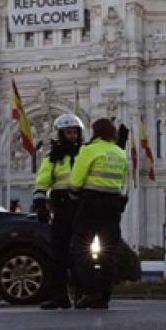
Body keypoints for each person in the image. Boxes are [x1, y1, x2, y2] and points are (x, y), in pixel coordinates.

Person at [67, 118, 130, 309]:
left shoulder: (89, 150)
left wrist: (73, 197)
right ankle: (104, 294)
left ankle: (90, 290)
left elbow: (76, 181)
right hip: (113, 205)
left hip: (91, 203)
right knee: (108, 251)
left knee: (81, 247)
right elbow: (123, 181)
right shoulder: (120, 152)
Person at [33, 114, 85, 310]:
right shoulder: (52, 158)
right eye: (68, 132)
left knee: (82, 253)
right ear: (60, 134)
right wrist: (40, 204)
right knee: (59, 253)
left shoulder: (85, 154)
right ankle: (60, 295)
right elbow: (42, 181)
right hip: (62, 208)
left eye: (74, 132)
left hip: (81, 209)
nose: (72, 136)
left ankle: (82, 293)